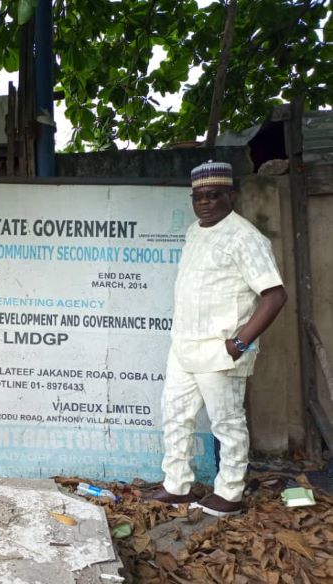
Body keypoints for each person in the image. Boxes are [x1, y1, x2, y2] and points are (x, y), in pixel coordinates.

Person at [148, 161, 287, 517]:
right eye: (198, 197)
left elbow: (275, 295)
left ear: (231, 195)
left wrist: (238, 343)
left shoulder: (245, 237)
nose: (205, 203)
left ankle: (230, 492)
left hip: (221, 348)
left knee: (227, 423)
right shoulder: (195, 231)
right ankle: (175, 485)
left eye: (213, 196)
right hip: (184, 346)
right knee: (176, 416)